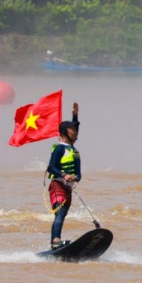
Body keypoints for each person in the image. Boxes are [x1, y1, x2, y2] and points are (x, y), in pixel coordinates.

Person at [46, 104, 81, 248]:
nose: (75, 131)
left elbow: (75, 130)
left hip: (68, 188)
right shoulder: (60, 149)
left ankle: (56, 241)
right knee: (60, 213)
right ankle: (55, 241)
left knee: (62, 214)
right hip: (58, 185)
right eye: (72, 129)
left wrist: (75, 116)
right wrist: (64, 174)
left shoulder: (72, 149)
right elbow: (51, 167)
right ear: (65, 133)